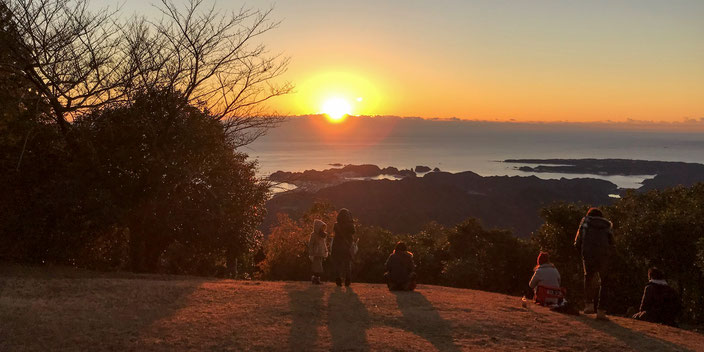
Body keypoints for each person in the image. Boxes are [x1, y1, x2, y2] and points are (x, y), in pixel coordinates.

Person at [574, 207, 614, 320]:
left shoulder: (585, 222)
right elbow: (612, 243)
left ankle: (589, 305)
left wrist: (582, 253)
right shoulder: (607, 225)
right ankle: (601, 311)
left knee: (588, 278)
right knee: (604, 282)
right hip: (604, 255)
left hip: (588, 254)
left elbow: (577, 242)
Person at [330, 208, 356, 287]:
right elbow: (353, 232)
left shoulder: (336, 225)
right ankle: (347, 280)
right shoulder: (350, 225)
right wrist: (351, 221)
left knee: (337, 264)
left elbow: (335, 233)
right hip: (346, 246)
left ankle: (338, 280)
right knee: (347, 264)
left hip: (336, 246)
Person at [308, 219, 328, 285]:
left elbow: (324, 244)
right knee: (317, 267)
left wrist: (326, 251)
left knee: (319, 267)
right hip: (316, 253)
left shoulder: (323, 235)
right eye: (321, 227)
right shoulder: (313, 235)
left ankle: (316, 279)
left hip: (321, 253)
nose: (322, 228)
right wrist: (311, 253)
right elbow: (311, 244)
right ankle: (315, 279)